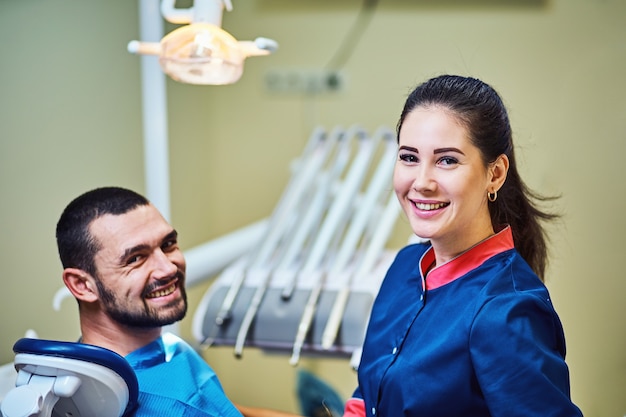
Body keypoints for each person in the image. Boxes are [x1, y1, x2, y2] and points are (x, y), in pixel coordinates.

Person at [343, 75, 583, 417]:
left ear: (495, 174)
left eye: (447, 160)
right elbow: (370, 395)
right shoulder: (405, 267)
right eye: (409, 157)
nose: (422, 182)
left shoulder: (505, 310)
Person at [56, 186, 301, 417]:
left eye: (168, 244)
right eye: (136, 258)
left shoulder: (134, 362)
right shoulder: (168, 405)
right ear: (82, 285)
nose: (168, 268)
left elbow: (227, 408)